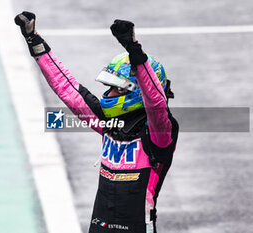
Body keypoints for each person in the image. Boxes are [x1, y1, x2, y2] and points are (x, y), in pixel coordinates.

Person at [14, 11, 179, 233]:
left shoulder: (159, 133)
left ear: (136, 92)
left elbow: (156, 103)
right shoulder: (107, 122)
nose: (108, 94)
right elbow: (68, 90)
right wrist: (34, 40)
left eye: (116, 88)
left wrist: (134, 50)